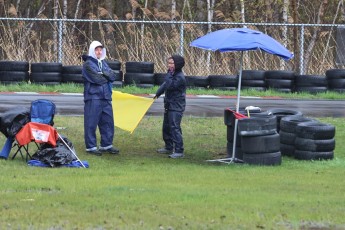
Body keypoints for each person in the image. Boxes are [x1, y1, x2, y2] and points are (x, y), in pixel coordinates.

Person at [82, 40, 119, 156]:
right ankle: (91, 147)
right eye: (96, 50)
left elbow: (113, 76)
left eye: (100, 50)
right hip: (93, 96)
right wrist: (105, 75)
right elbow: (97, 79)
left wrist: (103, 73)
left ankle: (106, 145)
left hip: (106, 96)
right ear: (92, 51)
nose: (99, 52)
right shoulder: (88, 64)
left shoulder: (104, 63)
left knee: (108, 121)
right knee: (91, 122)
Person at [154, 55, 186, 158]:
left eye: (172, 63)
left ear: (178, 64)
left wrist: (168, 76)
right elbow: (164, 85)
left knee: (174, 127)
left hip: (176, 106)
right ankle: (168, 146)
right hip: (169, 104)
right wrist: (157, 94)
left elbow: (170, 86)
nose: (170, 65)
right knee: (166, 127)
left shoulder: (180, 77)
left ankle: (179, 150)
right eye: (169, 63)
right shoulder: (171, 74)